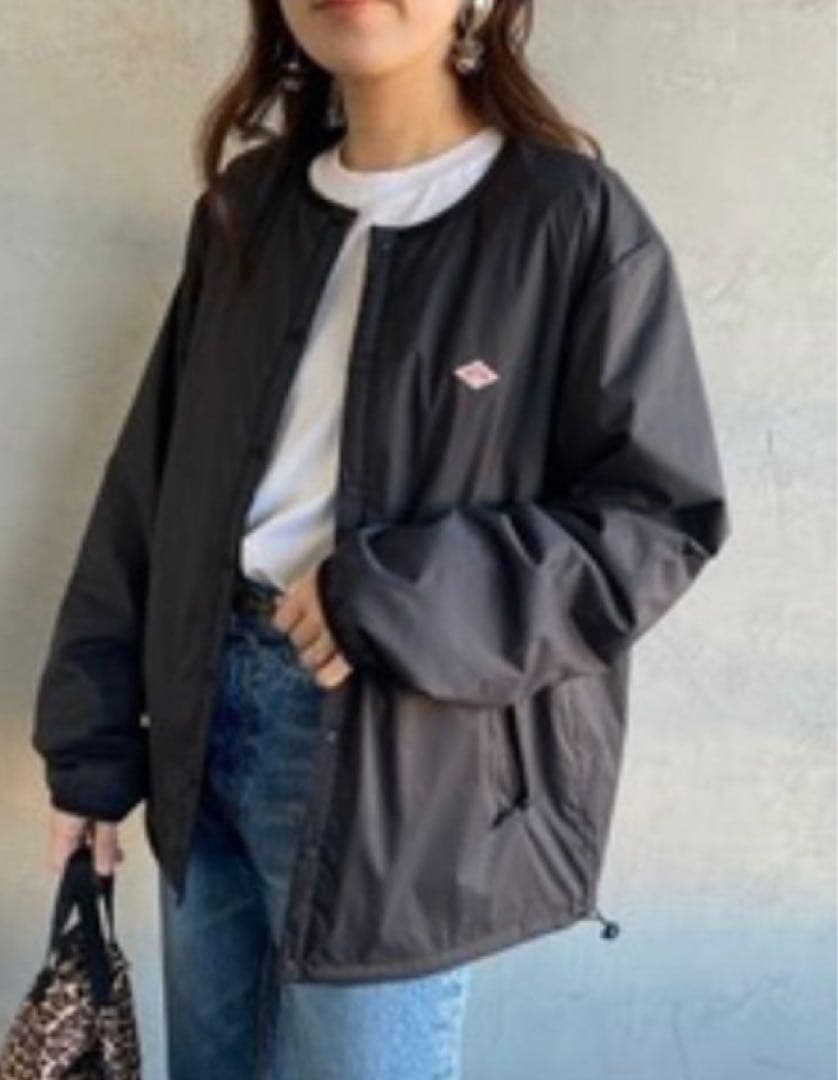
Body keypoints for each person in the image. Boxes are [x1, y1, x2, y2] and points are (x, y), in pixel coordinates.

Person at [30, 0, 731, 1077]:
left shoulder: (568, 220)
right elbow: (149, 486)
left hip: (401, 757)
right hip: (200, 727)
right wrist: (89, 746)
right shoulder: (246, 209)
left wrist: (389, 594)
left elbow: (656, 520)